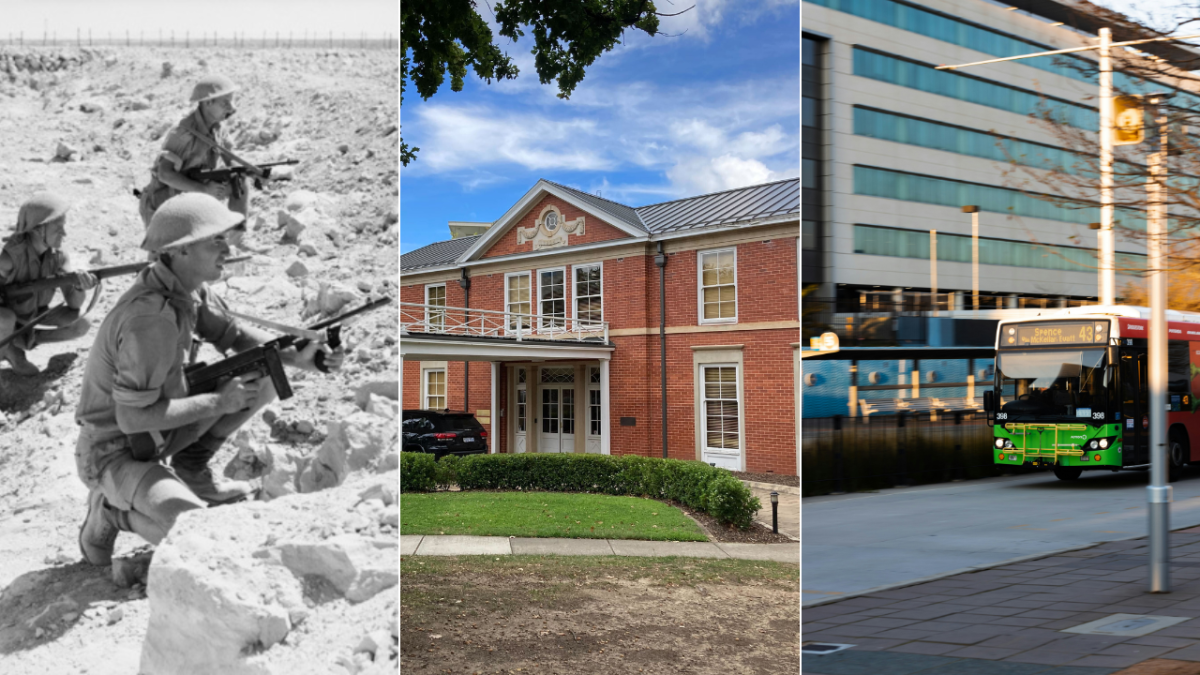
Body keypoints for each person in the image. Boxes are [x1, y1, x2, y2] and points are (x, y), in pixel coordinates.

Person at [75, 193, 344, 566]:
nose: (227, 249)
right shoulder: (149, 320)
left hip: (154, 434)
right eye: (214, 240)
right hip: (114, 452)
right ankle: (111, 511)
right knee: (198, 537)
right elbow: (131, 419)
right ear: (180, 250)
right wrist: (219, 402)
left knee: (262, 369)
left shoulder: (185, 289)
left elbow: (234, 337)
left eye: (225, 238)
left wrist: (302, 357)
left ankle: (190, 467)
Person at [137, 73, 250, 231]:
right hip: (165, 201)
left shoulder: (218, 129)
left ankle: (237, 235)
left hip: (194, 194)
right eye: (225, 103)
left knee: (239, 179)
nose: (232, 108)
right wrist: (204, 190)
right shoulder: (182, 134)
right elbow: (165, 174)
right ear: (208, 102)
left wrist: (254, 172)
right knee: (173, 253)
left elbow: (232, 161)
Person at [0, 192, 97, 376]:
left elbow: (74, 305)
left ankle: (27, 340)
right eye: (58, 228)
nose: (64, 233)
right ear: (38, 229)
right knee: (4, 319)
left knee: (82, 321)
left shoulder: (59, 257)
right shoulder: (8, 258)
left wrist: (79, 287)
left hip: (34, 316)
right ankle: (12, 352)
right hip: (6, 322)